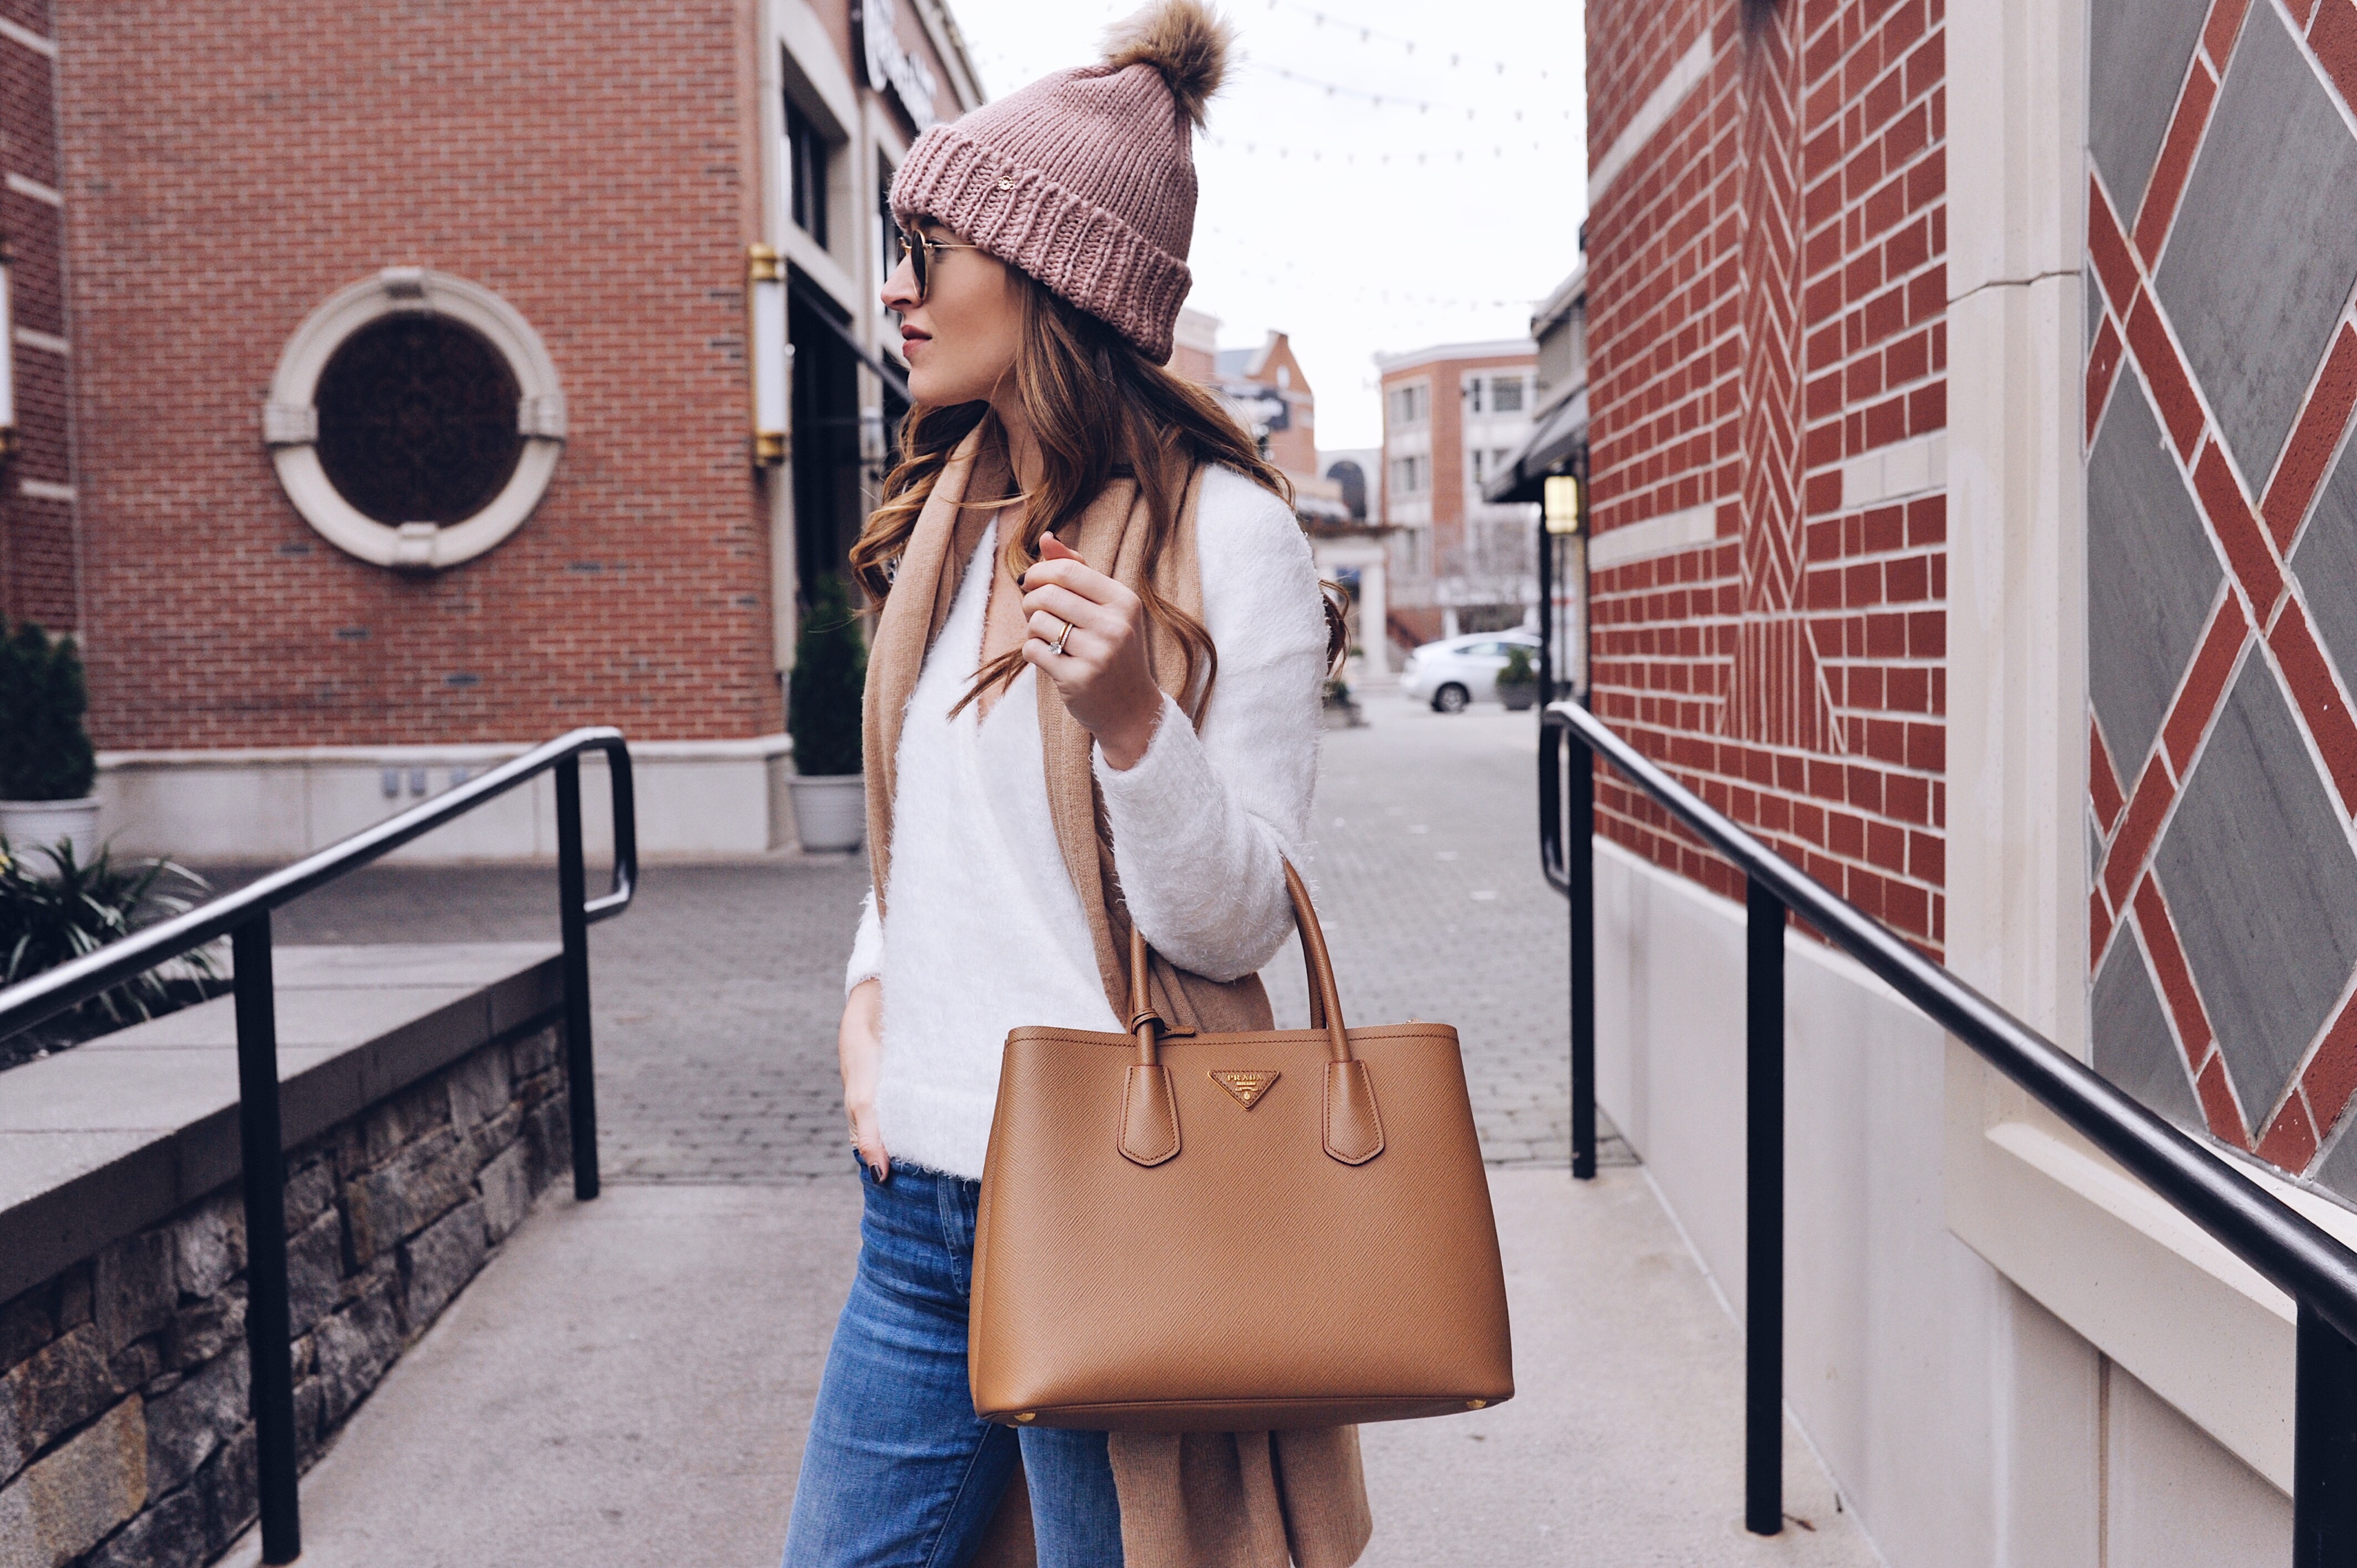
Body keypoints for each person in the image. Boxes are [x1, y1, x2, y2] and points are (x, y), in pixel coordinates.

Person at [778, 4, 1373, 1566]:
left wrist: (1129, 722)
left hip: (1123, 1190)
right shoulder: (943, 523)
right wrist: (869, 999)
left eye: (934, 250)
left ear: (1050, 277)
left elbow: (1237, 915)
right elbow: (926, 839)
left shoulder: (1225, 536)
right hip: (918, 1196)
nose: (898, 292)